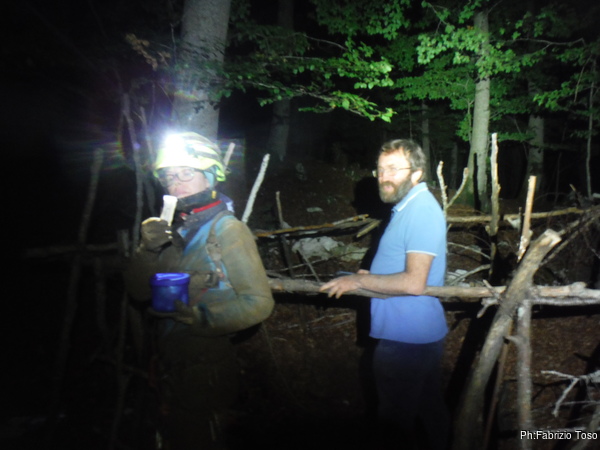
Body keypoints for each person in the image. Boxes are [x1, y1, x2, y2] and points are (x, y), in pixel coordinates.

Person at [124, 132, 274, 449]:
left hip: (206, 370)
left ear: (210, 176)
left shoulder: (228, 229)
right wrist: (147, 249)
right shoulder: (172, 231)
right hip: (168, 363)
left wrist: (202, 317)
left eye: (186, 173)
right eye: (169, 176)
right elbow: (138, 292)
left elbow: (259, 302)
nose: (175, 184)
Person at [320, 139, 449, 449]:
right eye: (380, 170)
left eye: (393, 169)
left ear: (416, 173)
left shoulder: (421, 210)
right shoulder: (408, 207)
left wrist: (356, 282)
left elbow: (414, 282)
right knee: (431, 413)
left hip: (405, 339)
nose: (384, 177)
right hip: (417, 335)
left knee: (394, 426)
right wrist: (370, 278)